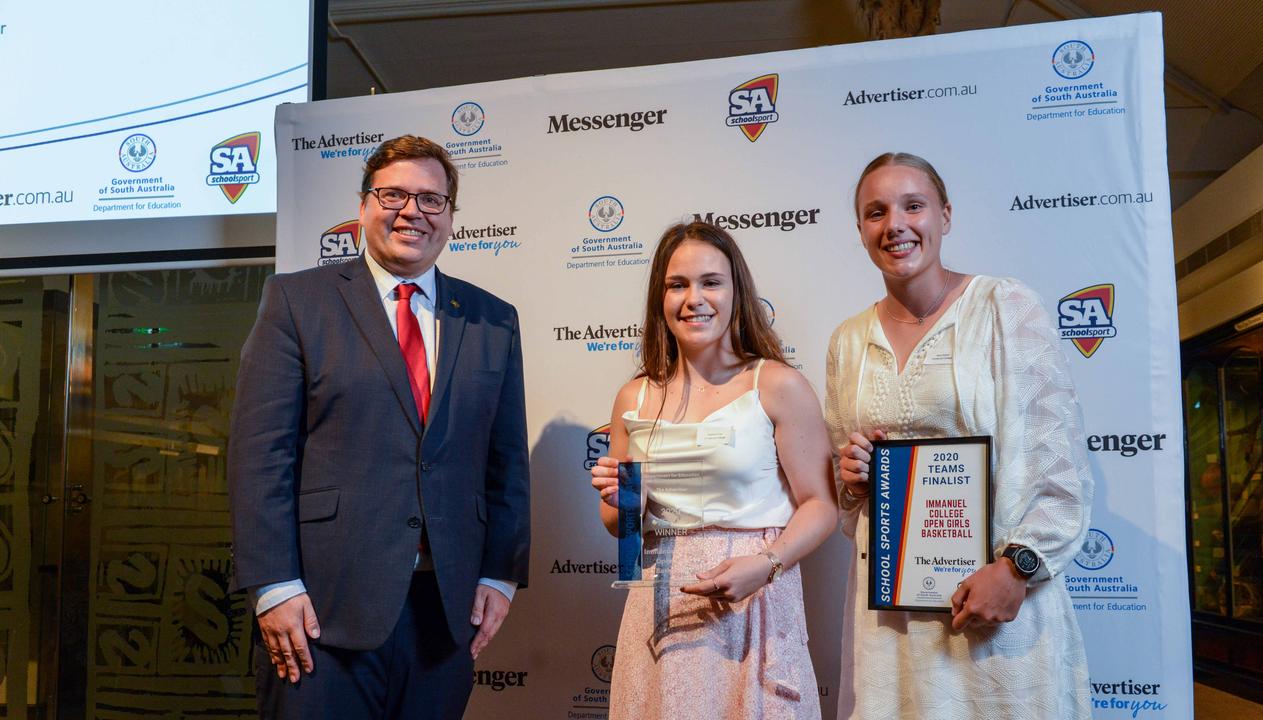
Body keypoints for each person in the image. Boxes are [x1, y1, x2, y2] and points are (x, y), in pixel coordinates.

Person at [229, 135, 530, 719]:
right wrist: (274, 586)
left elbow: (507, 460)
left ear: (449, 217)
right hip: (321, 611)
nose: (412, 211)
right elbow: (259, 457)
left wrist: (501, 572)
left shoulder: (494, 318)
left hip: (446, 616)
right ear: (364, 206)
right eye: (393, 194)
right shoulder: (298, 301)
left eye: (431, 200)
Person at [825, 152, 1093, 719]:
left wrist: (1018, 567)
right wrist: (851, 476)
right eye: (876, 212)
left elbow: (1059, 462)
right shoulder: (848, 340)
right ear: (860, 231)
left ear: (945, 215)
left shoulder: (1005, 307)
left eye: (913, 205)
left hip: (995, 603)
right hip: (891, 622)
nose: (894, 223)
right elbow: (849, 497)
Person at [590, 221, 836, 719]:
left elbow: (821, 506)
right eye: (677, 284)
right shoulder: (633, 397)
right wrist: (626, 506)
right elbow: (620, 527)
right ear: (660, 298)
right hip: (662, 603)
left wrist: (766, 565)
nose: (693, 299)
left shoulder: (777, 385)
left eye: (710, 282)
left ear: (735, 292)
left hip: (754, 600)